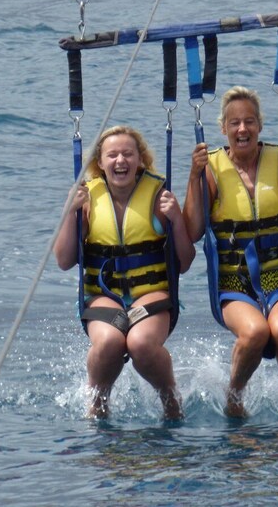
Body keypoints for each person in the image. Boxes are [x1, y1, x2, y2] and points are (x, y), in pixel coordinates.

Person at [182, 86, 278, 418]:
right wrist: (193, 176)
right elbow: (193, 231)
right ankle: (234, 399)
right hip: (233, 284)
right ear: (223, 128)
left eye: (250, 121)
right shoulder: (210, 167)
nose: (243, 129)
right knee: (255, 332)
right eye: (235, 123)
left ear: (260, 126)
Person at [55, 125, 196, 420]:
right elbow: (64, 260)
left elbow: (184, 262)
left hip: (151, 295)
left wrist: (176, 221)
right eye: (113, 155)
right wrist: (71, 213)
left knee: (140, 343)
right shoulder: (87, 199)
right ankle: (98, 404)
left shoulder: (160, 197)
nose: (121, 161)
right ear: (101, 163)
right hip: (105, 297)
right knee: (109, 341)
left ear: (140, 160)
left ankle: (170, 400)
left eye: (128, 154)